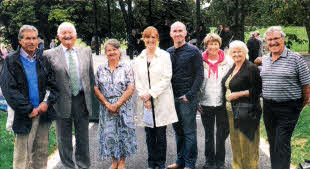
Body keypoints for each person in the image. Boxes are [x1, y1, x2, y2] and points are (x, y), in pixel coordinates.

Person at [0, 25, 58, 169]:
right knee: (22, 158)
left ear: (38, 40)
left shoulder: (43, 59)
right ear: (20, 41)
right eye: (27, 38)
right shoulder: (11, 60)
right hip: (24, 115)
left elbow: (53, 84)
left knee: (41, 154)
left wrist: (47, 103)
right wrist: (28, 109)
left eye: (34, 38)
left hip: (43, 113)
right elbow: (9, 90)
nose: (31, 42)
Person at [44, 22, 98, 169]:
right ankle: (68, 166)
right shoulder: (48, 54)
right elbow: (46, 81)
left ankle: (83, 166)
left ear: (76, 35)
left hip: (82, 100)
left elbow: (91, 77)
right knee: (63, 139)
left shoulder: (86, 52)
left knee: (83, 138)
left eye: (70, 33)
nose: (67, 36)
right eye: (64, 33)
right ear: (58, 36)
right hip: (60, 102)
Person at [261, 26, 310, 169]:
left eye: (276, 38)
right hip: (269, 107)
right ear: (266, 42)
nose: (273, 42)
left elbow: (306, 85)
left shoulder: (296, 58)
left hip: (289, 107)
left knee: (282, 142)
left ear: (283, 39)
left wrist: (301, 104)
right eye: (269, 40)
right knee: (273, 141)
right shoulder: (265, 59)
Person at [134, 26, 178, 169]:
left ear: (157, 39)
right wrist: (145, 98)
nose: (150, 40)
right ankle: (151, 163)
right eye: (147, 37)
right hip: (145, 102)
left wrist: (150, 94)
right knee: (149, 135)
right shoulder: (139, 57)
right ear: (143, 39)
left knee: (160, 134)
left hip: (161, 100)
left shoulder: (164, 56)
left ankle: (160, 163)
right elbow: (137, 79)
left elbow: (166, 78)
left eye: (153, 37)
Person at [94, 39, 137, 169]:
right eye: (109, 50)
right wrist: (107, 104)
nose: (112, 52)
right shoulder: (100, 69)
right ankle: (114, 161)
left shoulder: (127, 67)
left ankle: (122, 162)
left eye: (114, 49)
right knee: (109, 134)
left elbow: (131, 87)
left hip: (123, 106)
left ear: (119, 51)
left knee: (124, 133)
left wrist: (117, 104)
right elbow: (96, 88)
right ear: (105, 53)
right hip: (106, 106)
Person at [167, 21, 204, 169]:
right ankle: (179, 161)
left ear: (185, 33)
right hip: (172, 98)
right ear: (171, 34)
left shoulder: (194, 51)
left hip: (187, 98)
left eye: (180, 30)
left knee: (189, 132)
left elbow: (200, 76)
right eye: (174, 31)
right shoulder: (168, 52)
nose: (177, 33)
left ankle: (190, 164)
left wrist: (189, 95)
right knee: (178, 132)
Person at [222, 40, 262, 169]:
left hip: (247, 112)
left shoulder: (251, 68)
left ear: (245, 52)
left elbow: (257, 91)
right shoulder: (234, 66)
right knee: (236, 144)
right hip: (233, 112)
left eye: (240, 51)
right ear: (230, 53)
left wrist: (238, 94)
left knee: (248, 146)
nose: (237, 54)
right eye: (234, 51)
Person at [199, 33, 232, 169]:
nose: (213, 46)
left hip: (221, 103)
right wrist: (197, 102)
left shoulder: (228, 60)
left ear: (219, 45)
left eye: (215, 43)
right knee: (208, 134)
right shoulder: (199, 61)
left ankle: (220, 162)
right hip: (205, 103)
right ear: (206, 46)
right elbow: (196, 82)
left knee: (221, 134)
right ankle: (209, 161)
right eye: (210, 44)